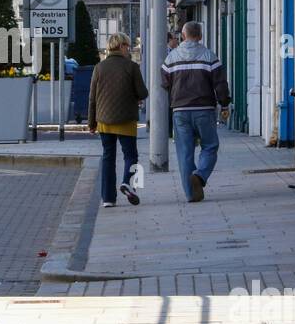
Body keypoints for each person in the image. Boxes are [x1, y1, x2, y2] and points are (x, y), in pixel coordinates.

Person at [161, 21, 231, 202]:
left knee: (185, 152)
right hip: (204, 110)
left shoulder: (171, 58)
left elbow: (165, 82)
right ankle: (200, 176)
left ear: (183, 36)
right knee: (210, 146)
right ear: (200, 36)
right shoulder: (209, 56)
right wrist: (224, 104)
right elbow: (220, 84)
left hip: (180, 111)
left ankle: (191, 194)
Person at [87, 32, 149, 208]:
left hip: (104, 121)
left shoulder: (99, 68)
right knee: (131, 155)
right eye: (127, 46)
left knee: (108, 157)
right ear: (121, 46)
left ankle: (108, 198)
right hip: (126, 119)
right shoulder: (131, 67)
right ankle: (127, 182)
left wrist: (91, 123)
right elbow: (143, 92)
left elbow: (92, 98)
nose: (128, 49)